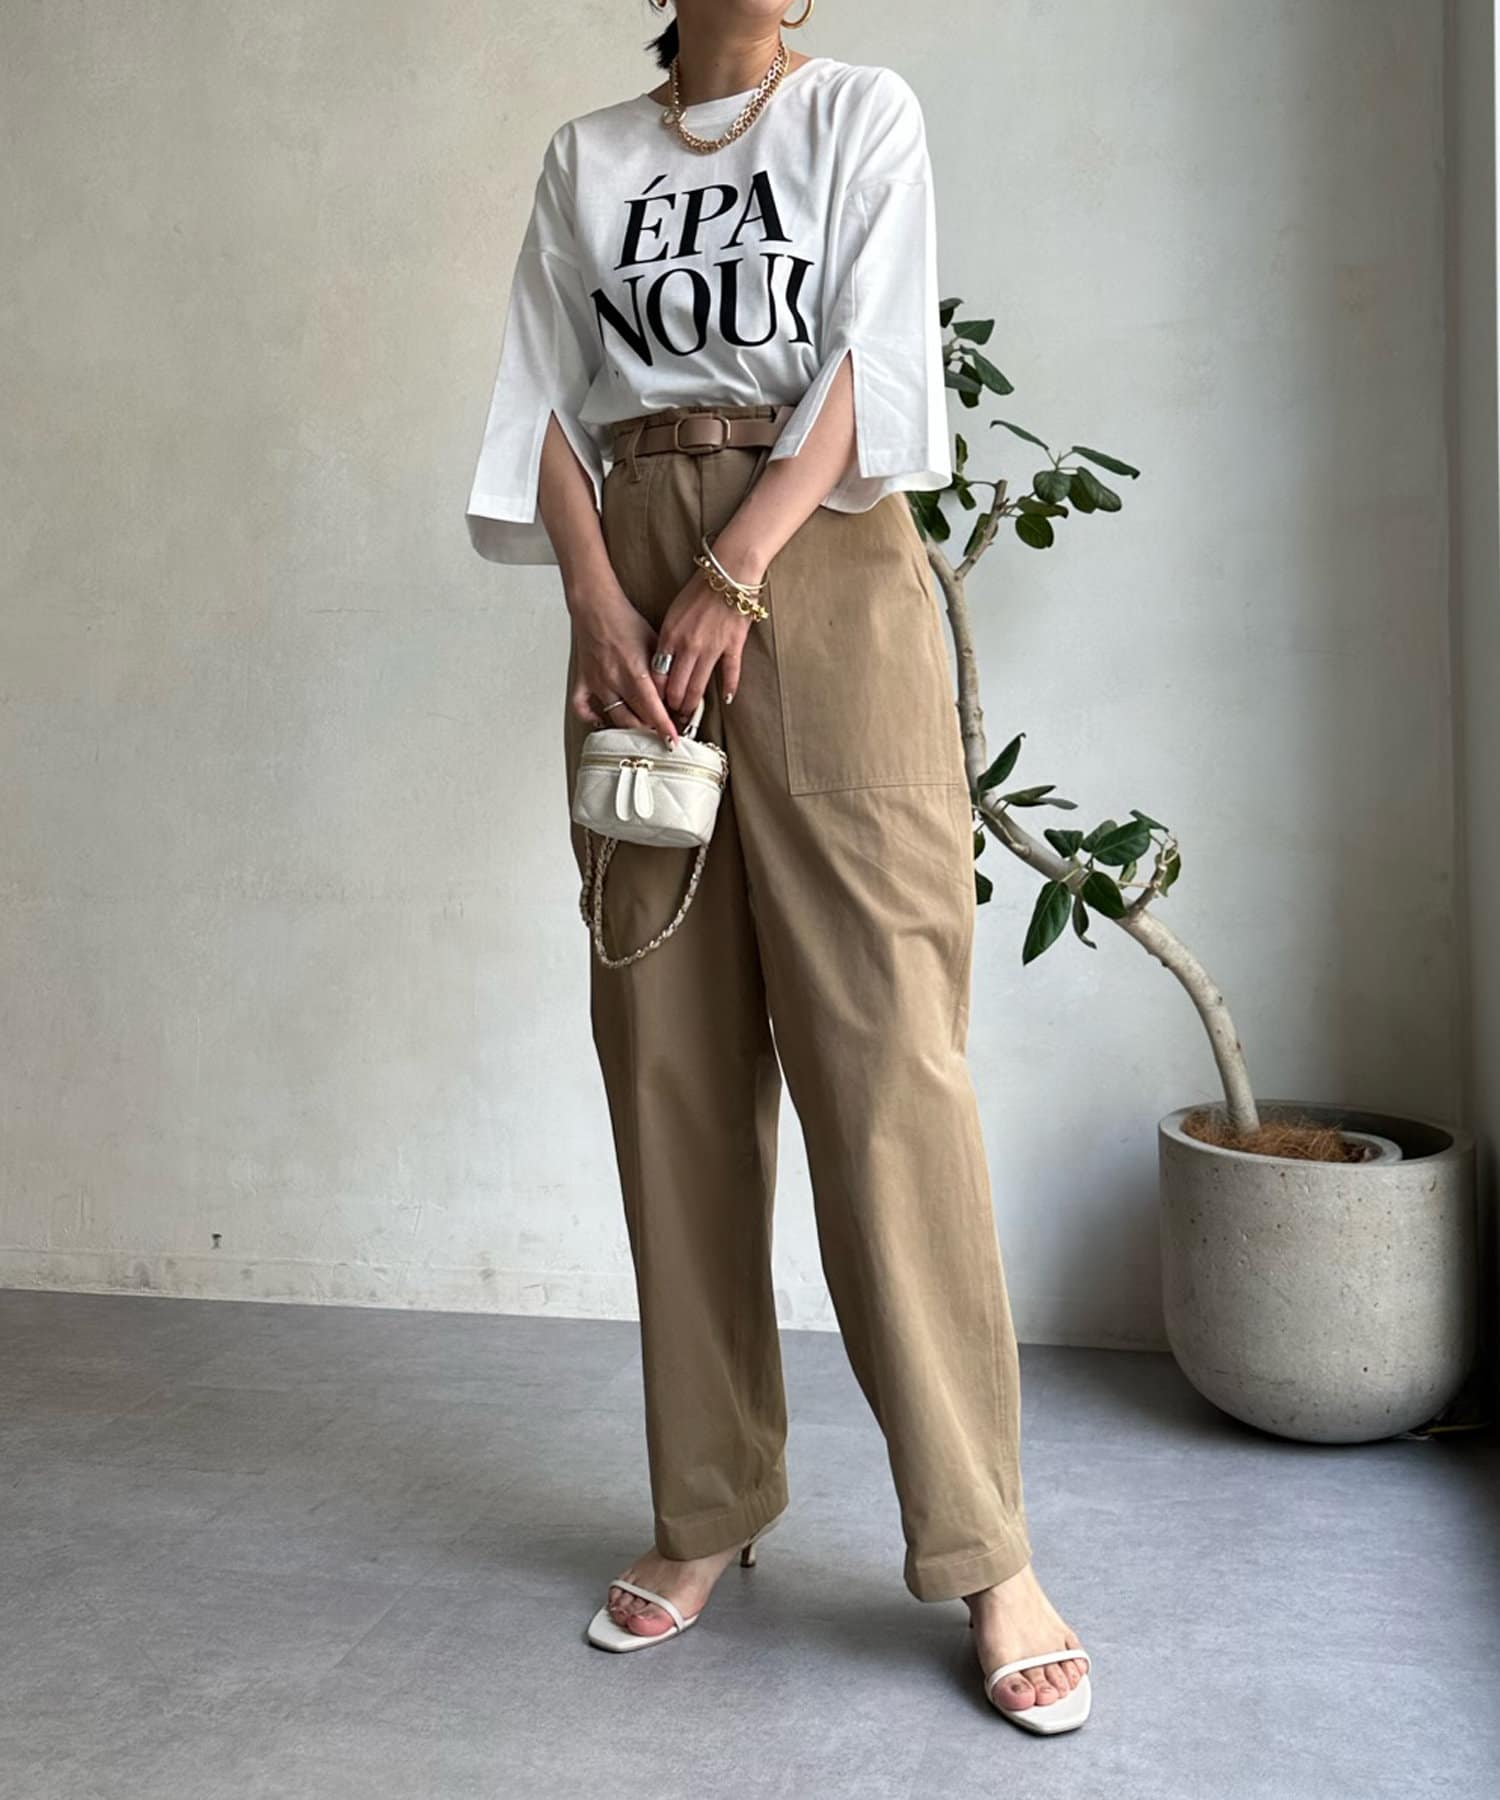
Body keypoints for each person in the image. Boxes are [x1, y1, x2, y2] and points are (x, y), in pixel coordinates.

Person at [464, 0, 1093, 1736]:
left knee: (889, 1060)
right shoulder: (589, 157)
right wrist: (595, 598)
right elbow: (538, 397)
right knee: (665, 1056)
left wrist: (735, 569)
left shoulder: (860, 115)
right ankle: (707, 1503)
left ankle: (985, 1548)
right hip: (632, 567)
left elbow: (877, 361)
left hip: (818, 555)